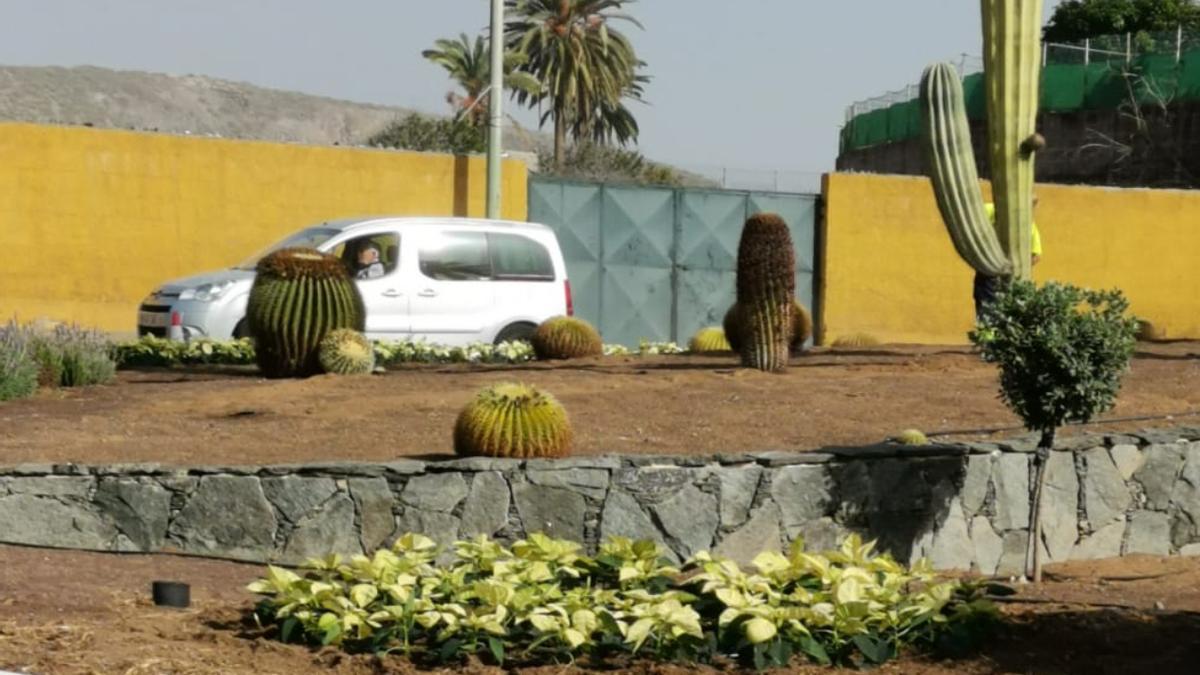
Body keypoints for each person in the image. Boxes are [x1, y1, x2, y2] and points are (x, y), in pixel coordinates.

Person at [974, 197, 1042, 321]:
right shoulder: (989, 210)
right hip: (988, 269)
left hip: (1006, 274)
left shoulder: (1029, 226)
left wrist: (1014, 268)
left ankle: (993, 337)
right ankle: (988, 338)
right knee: (986, 304)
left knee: (1000, 308)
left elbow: (1036, 255)